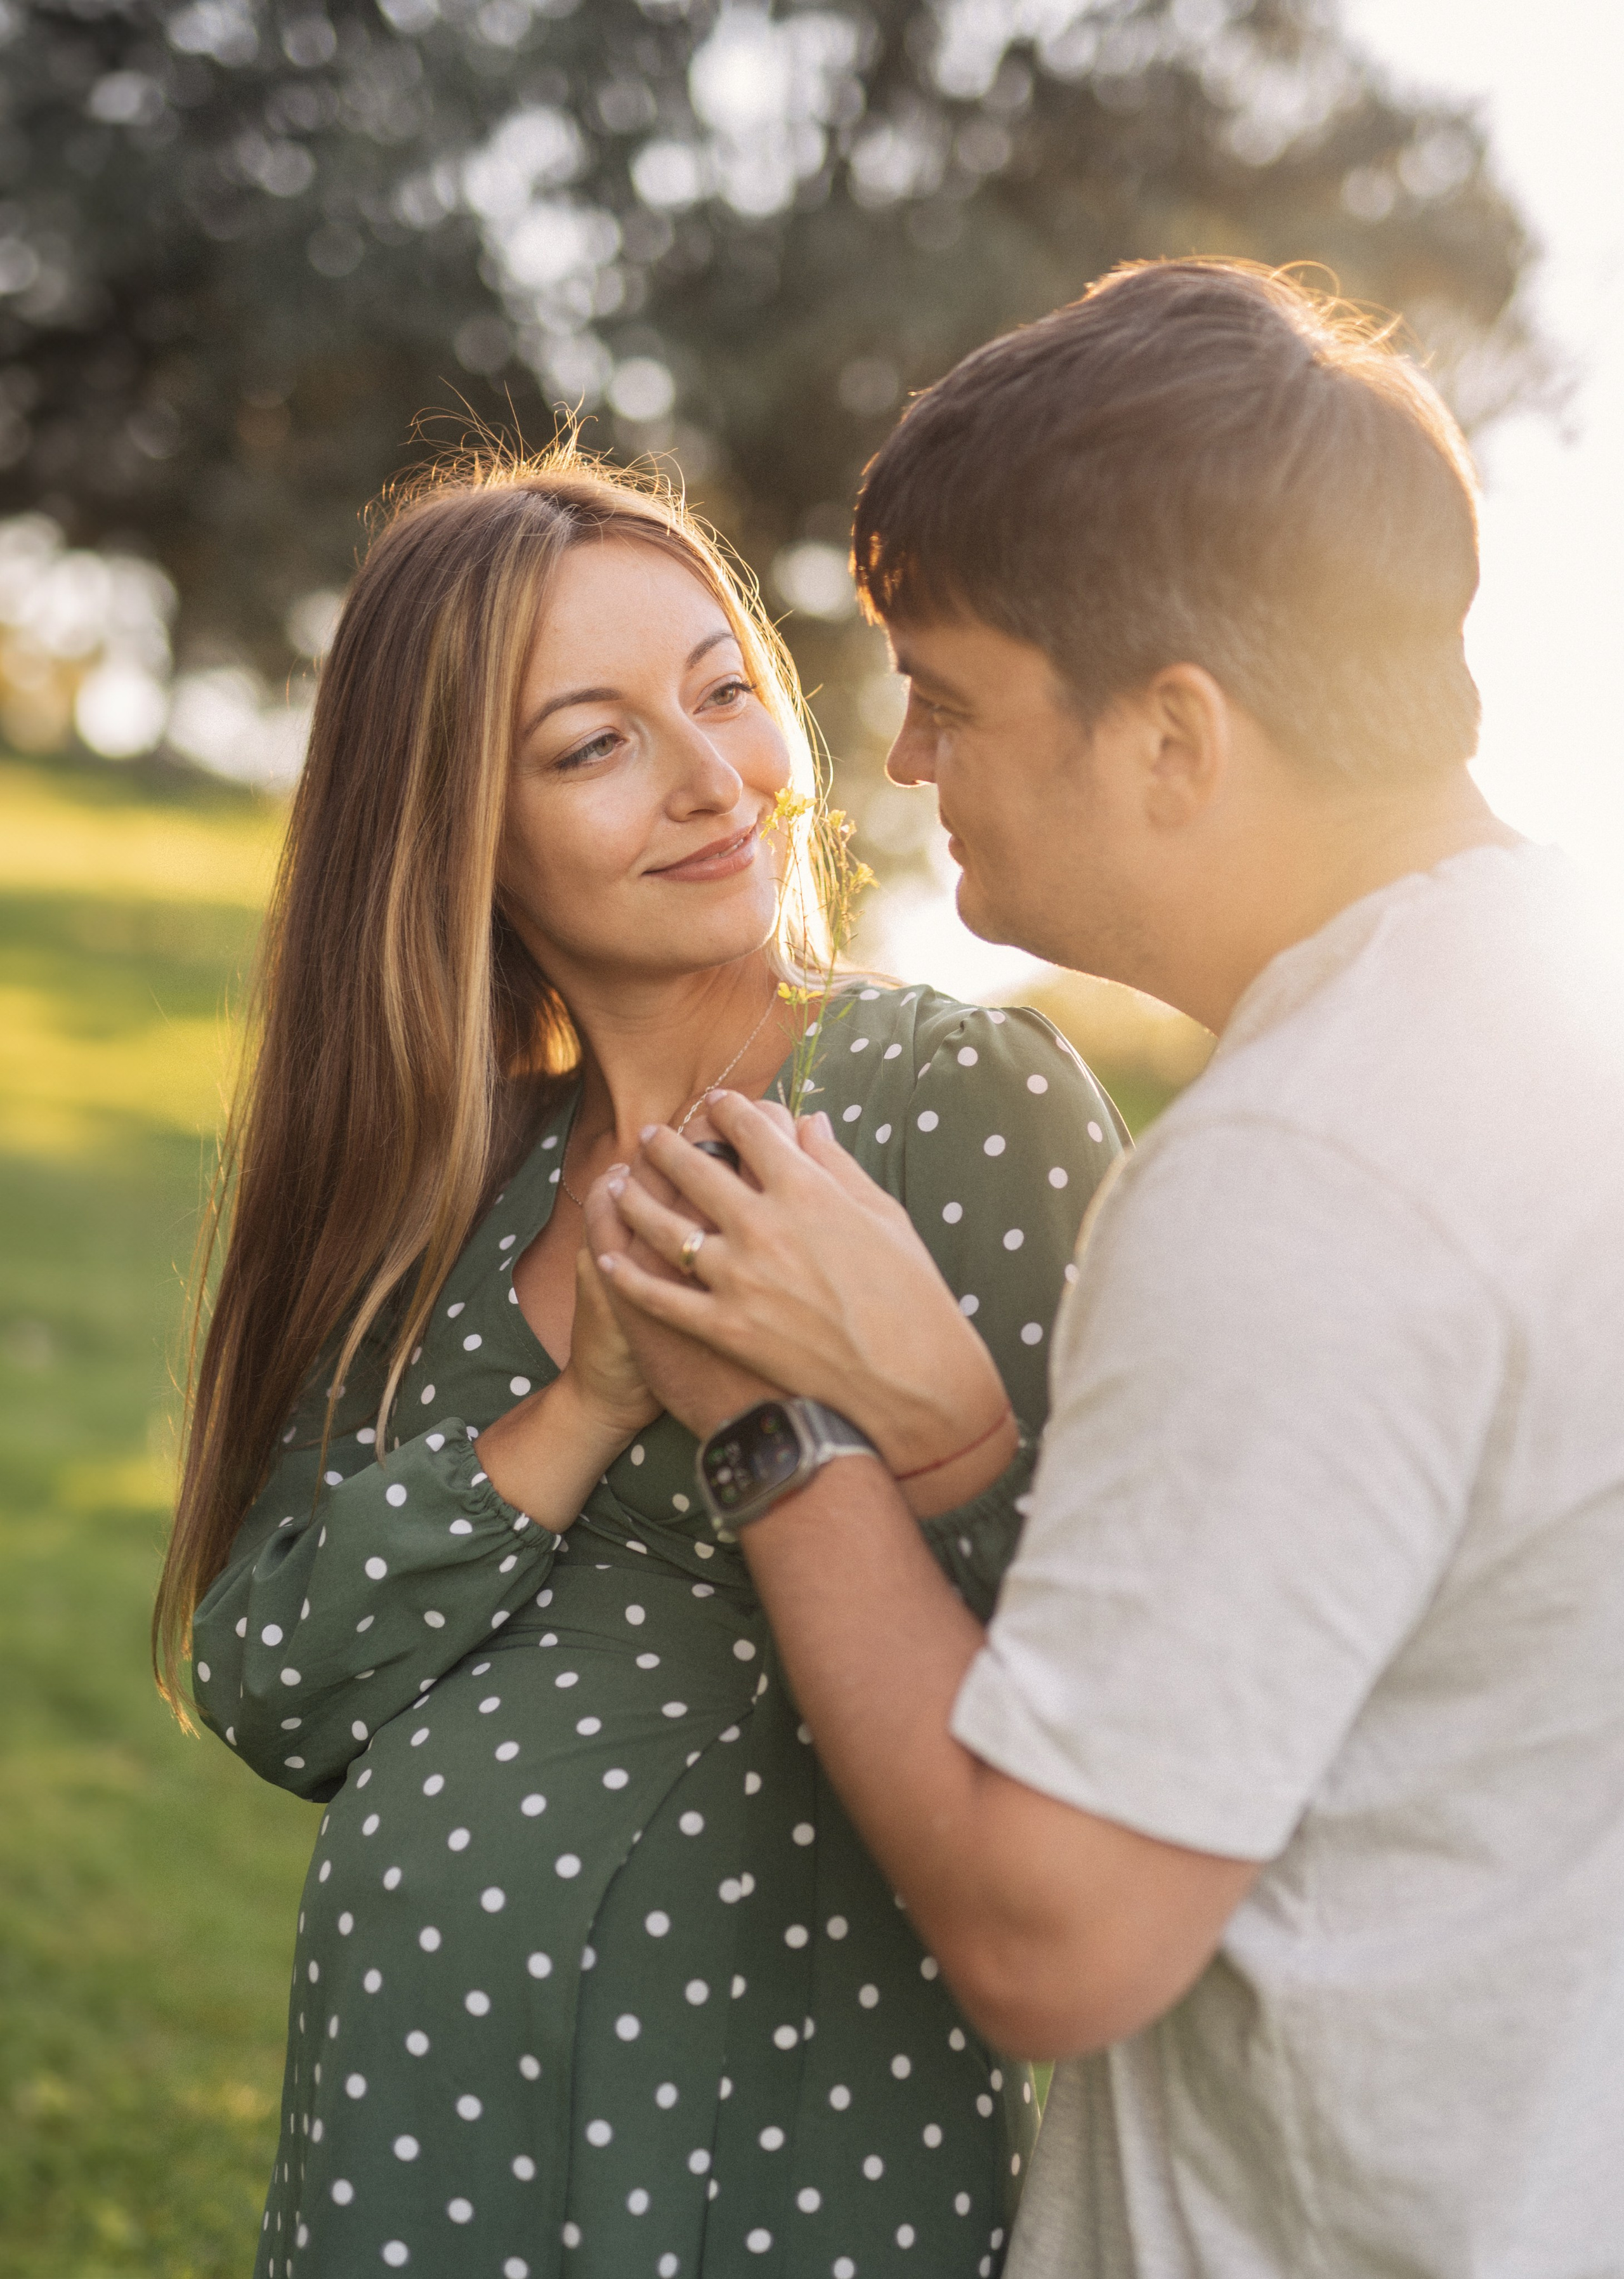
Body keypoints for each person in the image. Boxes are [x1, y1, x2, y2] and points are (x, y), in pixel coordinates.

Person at [590, 260, 1624, 2278]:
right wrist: (961, 1449)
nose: (900, 765)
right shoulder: (1546, 1030)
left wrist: (780, 1435)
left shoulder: (1303, 1176)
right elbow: (1351, 1672)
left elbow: (1053, 1934)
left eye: (955, 697)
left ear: (1173, 739)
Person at [155, 452, 1125, 2278]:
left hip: (773, 2158)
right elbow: (272, 1677)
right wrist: (585, 1404)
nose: (713, 782)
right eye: (594, 745)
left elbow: (1113, 1669)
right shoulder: (456, 1189)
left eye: (724, 688)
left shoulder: (943, 1105)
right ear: (460, 833)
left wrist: (903, 1411)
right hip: (407, 2160)